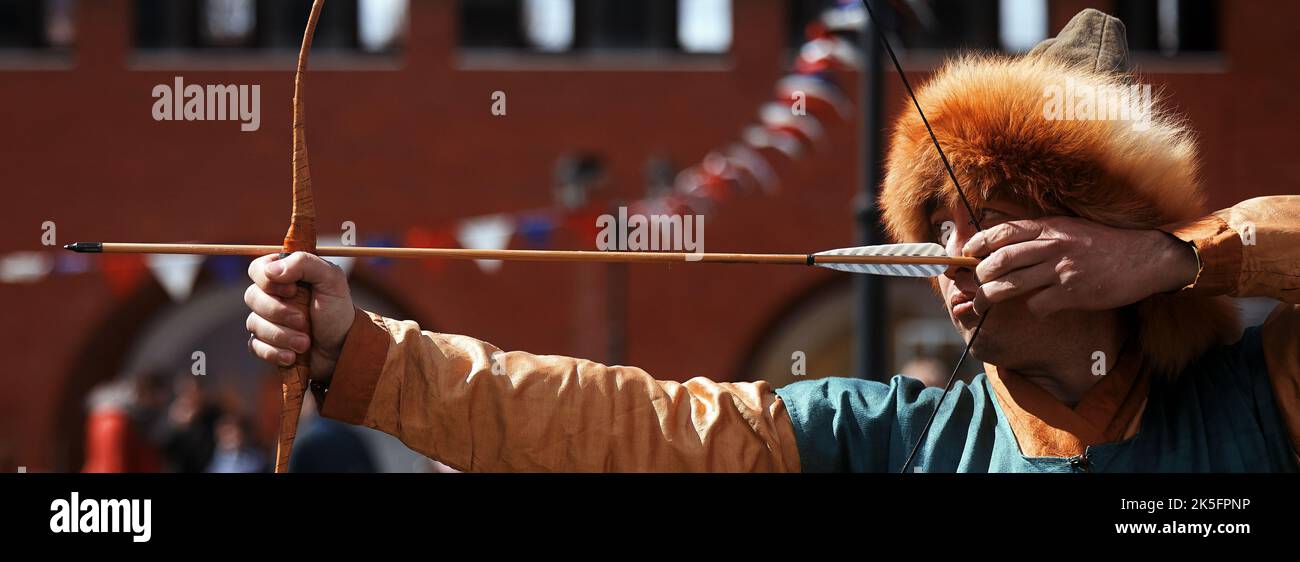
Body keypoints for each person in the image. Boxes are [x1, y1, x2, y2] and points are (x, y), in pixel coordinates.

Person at [242, 10, 1298, 472]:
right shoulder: (891, 438)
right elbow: (629, 427)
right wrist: (358, 351)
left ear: (1093, 239)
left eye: (990, 214)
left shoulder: (1262, 398)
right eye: (934, 224)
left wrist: (1179, 257)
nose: (950, 257)